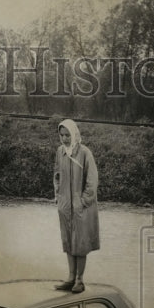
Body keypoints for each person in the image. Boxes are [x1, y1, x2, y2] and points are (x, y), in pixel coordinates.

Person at [52, 118, 100, 293]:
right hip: (65, 206)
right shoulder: (60, 152)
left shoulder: (85, 153)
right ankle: (70, 277)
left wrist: (83, 201)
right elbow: (57, 174)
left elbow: (92, 181)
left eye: (67, 135)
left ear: (74, 134)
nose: (65, 139)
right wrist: (58, 197)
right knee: (68, 242)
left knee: (80, 243)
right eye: (62, 135)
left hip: (81, 208)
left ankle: (80, 280)